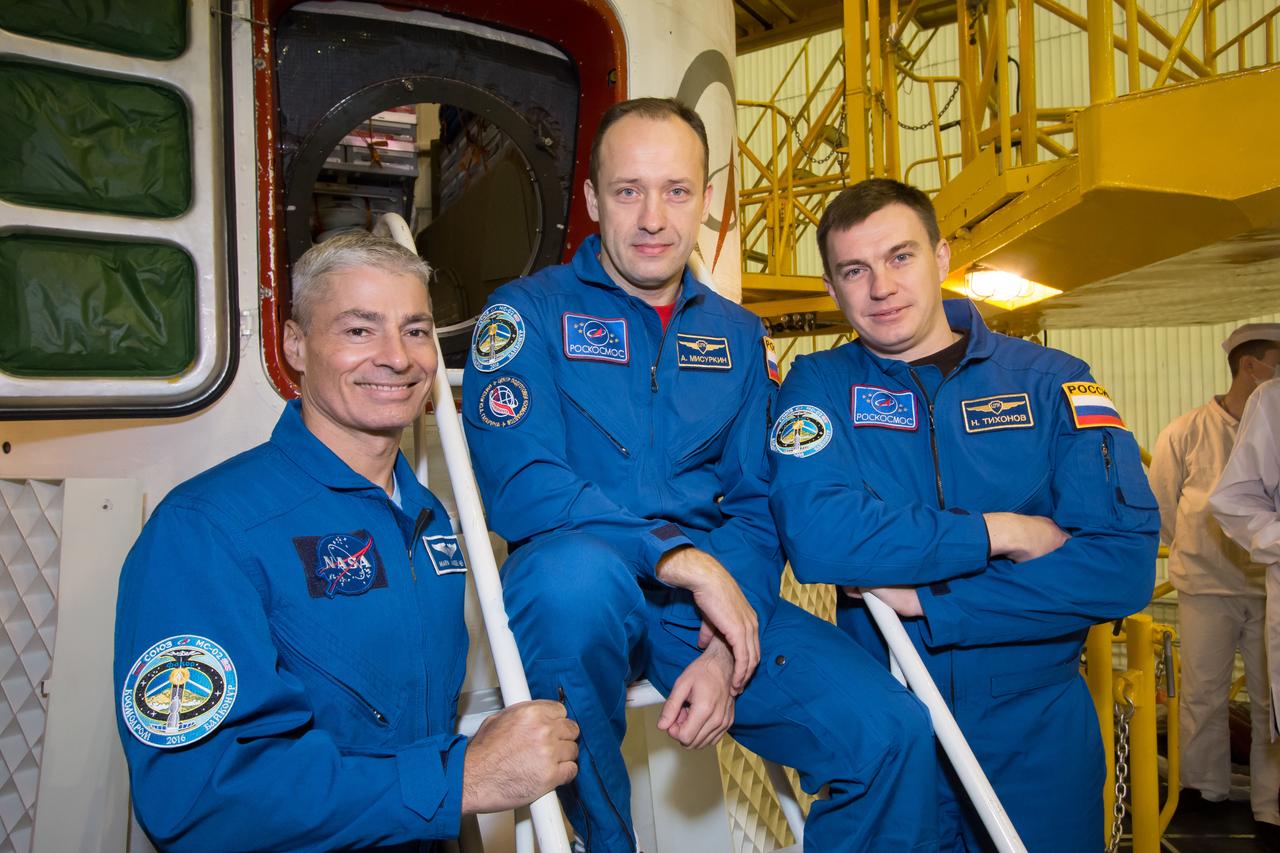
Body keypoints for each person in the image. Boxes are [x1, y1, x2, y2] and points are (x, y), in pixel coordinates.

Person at [462, 99, 937, 852]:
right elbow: (523, 484)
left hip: (706, 604)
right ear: (592, 200)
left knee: (892, 733)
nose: (653, 218)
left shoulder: (738, 337)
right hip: (583, 592)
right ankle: (602, 841)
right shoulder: (528, 313)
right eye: (628, 191)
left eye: (676, 190)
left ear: (706, 201)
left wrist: (724, 648)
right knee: (570, 583)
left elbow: (756, 505)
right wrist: (676, 557)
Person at [113, 233, 579, 852]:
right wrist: (458, 780)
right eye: (360, 330)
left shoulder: (427, 516)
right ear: (295, 345)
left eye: (415, 331)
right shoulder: (204, 529)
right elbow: (197, 800)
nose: (398, 358)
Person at [768, 178, 1160, 852]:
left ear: (942, 256)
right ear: (832, 288)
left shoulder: (1052, 381)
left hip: (1035, 733)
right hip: (890, 729)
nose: (881, 287)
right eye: (854, 271)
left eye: (900, 257)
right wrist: (1002, 532)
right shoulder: (820, 385)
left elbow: (1120, 567)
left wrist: (934, 602)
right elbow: (819, 535)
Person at [1149, 323, 1280, 839]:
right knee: (1203, 693)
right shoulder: (1185, 432)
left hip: (1268, 588)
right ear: (1251, 366)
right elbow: (1162, 508)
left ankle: (1270, 807)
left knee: (1271, 700)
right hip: (1206, 588)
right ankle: (1203, 791)